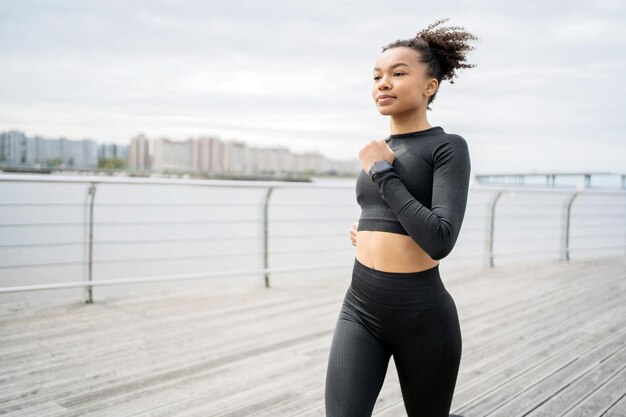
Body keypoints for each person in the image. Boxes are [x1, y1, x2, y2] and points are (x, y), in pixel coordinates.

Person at [324, 18, 477, 417]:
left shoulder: (446, 147)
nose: (383, 83)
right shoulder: (381, 148)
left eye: (398, 73)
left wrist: (382, 171)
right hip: (359, 305)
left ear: (430, 86)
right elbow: (385, 212)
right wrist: (368, 231)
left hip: (421, 315)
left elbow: (440, 239)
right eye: (377, 76)